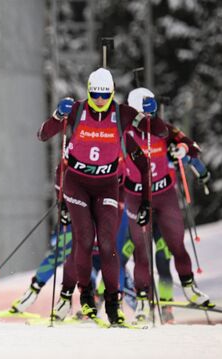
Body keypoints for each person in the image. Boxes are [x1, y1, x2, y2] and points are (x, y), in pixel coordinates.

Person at [37, 68, 167, 325]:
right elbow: (43, 134)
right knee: (83, 240)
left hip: (107, 184)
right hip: (76, 183)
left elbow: (160, 132)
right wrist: (57, 115)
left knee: (108, 245)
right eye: (94, 94)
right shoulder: (76, 110)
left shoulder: (123, 114)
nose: (99, 100)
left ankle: (113, 305)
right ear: (88, 91)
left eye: (104, 95)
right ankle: (85, 295)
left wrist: (152, 114)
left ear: (111, 93)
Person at [123, 87, 213, 322]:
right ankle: (143, 301)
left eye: (151, 115)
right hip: (136, 196)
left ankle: (189, 287)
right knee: (141, 253)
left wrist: (180, 149)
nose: (149, 121)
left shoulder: (163, 128)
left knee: (176, 245)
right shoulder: (124, 132)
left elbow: (191, 146)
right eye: (144, 116)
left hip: (164, 194)